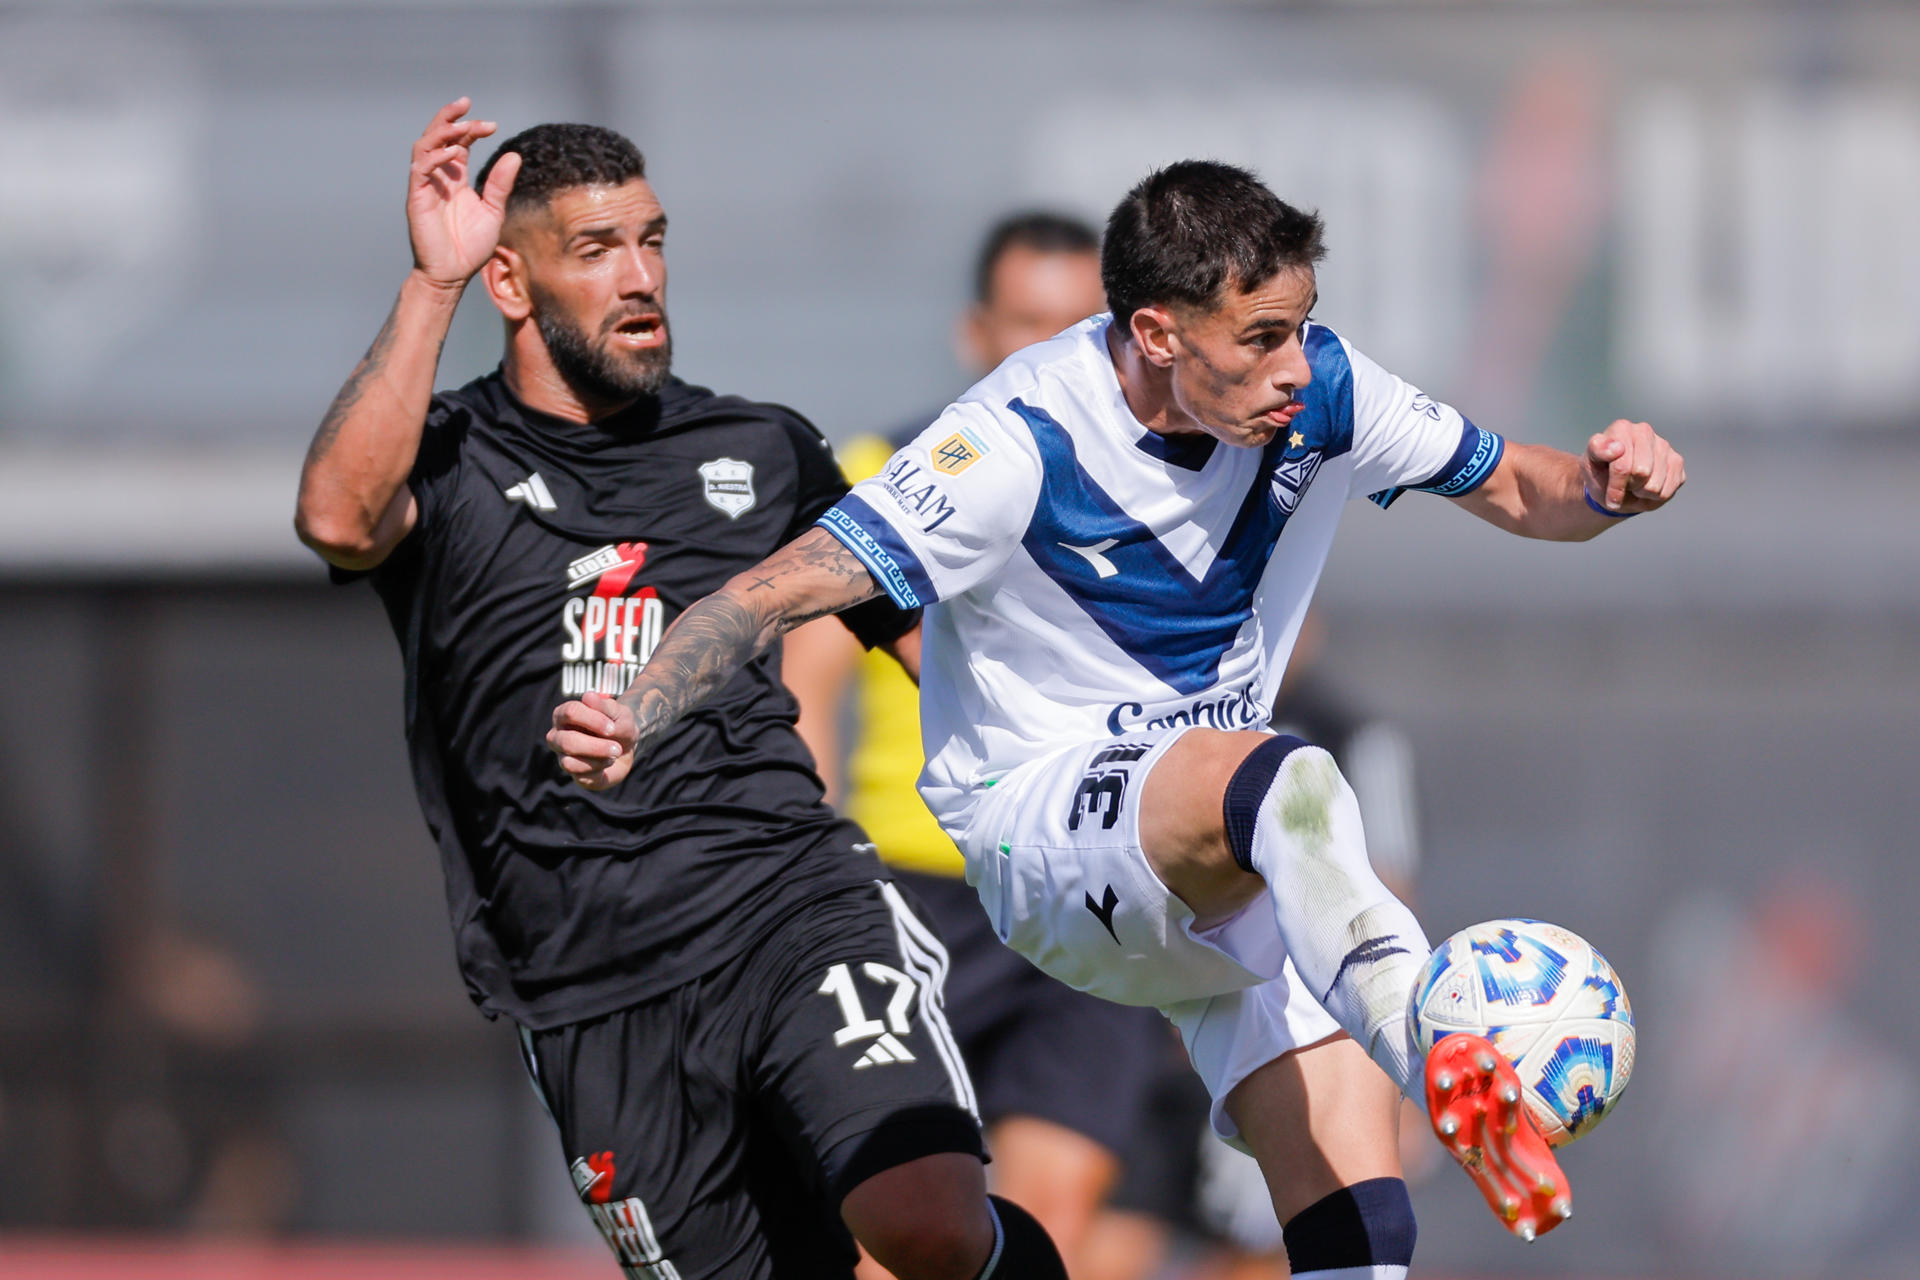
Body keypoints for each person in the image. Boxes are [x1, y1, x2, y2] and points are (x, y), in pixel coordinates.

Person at [545, 160, 1686, 1276]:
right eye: (1259, 338)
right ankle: (1439, 1042)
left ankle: (1417, 1060)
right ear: (1156, 333)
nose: (1295, 366)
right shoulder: (1013, 438)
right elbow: (777, 587)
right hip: (1045, 828)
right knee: (1289, 782)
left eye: (1301, 325)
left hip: (1214, 849)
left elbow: (1520, 487)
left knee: (1360, 1221)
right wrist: (640, 704)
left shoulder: (1324, 389)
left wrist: (1604, 487)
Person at [295, 100, 1065, 1280]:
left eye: (652, 240)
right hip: (586, 984)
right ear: (512, 280)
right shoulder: (445, 461)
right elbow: (339, 520)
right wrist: (429, 285)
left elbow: (937, 658)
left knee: (928, 1220)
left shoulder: (764, 450)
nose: (640, 275)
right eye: (596, 251)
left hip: (786, 904)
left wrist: (1097, 767)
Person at [783, 212, 1167, 1270]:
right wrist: (812, 878)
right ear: (974, 333)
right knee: (904, 1224)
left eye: (1075, 325)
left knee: (1057, 1203)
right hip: (918, 891)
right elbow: (803, 685)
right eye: (1025, 323)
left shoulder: (1152, 500)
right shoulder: (879, 477)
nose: (1049, 349)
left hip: (1080, 889)